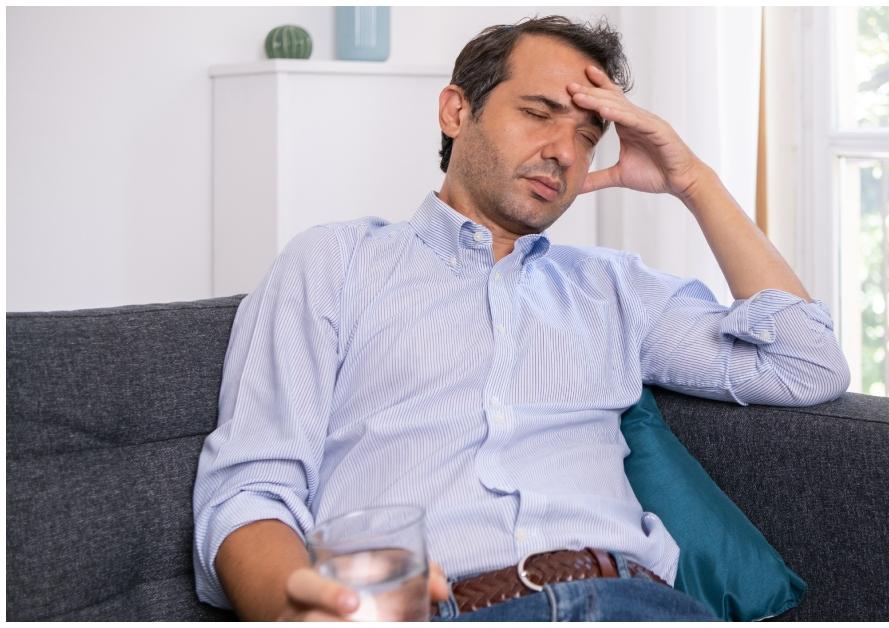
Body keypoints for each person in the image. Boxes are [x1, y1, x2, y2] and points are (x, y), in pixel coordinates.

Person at [193, 15, 849, 622]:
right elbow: (248, 493)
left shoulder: (613, 287)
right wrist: (307, 613)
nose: (565, 151)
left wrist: (694, 181)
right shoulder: (335, 263)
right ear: (457, 111)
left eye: (588, 136)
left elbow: (805, 364)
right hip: (453, 608)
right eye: (539, 114)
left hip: (641, 603)